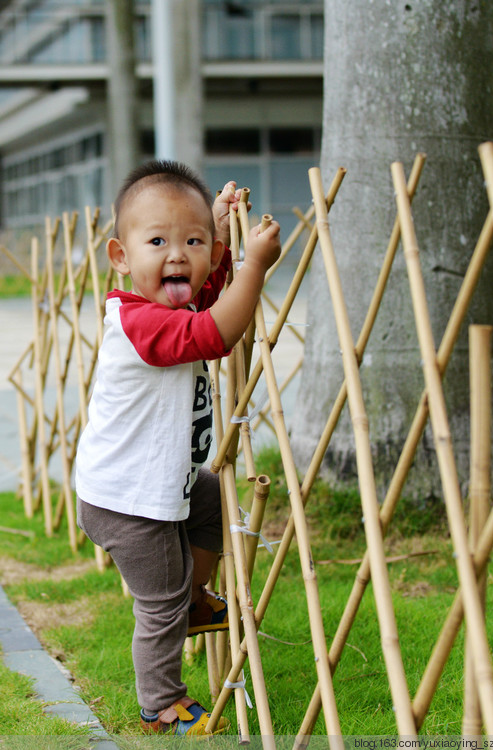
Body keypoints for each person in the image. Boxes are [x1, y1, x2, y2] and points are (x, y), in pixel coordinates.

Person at [75, 160, 281, 737]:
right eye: (158, 241)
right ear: (121, 257)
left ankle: (193, 600)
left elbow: (206, 294)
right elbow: (215, 330)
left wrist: (216, 232)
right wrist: (254, 269)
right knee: (157, 601)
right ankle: (160, 703)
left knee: (215, 503)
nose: (176, 255)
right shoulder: (140, 322)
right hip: (125, 502)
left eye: (192, 242)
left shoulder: (174, 303)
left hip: (165, 483)